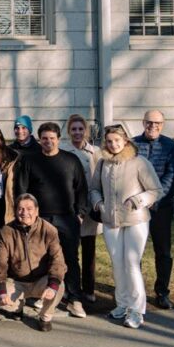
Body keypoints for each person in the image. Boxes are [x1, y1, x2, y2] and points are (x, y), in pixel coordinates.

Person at [90, 124, 162, 329]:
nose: (113, 145)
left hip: (135, 220)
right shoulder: (103, 163)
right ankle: (122, 304)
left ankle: (137, 310)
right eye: (109, 141)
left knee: (131, 263)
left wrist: (136, 201)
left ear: (125, 141)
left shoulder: (139, 162)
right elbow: (94, 189)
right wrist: (99, 204)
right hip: (110, 220)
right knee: (117, 262)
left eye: (117, 141)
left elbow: (155, 190)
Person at [14, 122, 89, 318]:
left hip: (67, 218)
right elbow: (21, 189)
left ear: (59, 139)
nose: (48, 142)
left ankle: (74, 299)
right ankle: (43, 295)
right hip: (40, 219)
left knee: (70, 258)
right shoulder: (30, 160)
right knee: (41, 258)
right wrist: (26, 216)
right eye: (44, 138)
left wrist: (80, 213)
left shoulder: (71, 160)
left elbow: (81, 188)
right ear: (39, 140)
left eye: (52, 138)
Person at [0, 194, 66, 332]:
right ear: (15, 211)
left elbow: (57, 260)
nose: (24, 212)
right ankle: (18, 308)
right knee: (0, 300)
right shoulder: (6, 232)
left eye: (29, 209)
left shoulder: (49, 230)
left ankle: (45, 317)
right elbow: (0, 263)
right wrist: (2, 290)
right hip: (17, 281)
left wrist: (52, 285)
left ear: (37, 211)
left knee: (59, 286)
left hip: (41, 280)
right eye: (20, 209)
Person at [132, 109, 174, 309]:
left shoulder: (171, 146)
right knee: (136, 251)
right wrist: (140, 200)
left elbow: (172, 176)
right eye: (149, 122)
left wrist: (154, 198)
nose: (153, 126)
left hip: (161, 207)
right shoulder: (133, 144)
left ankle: (162, 292)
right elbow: (129, 174)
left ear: (163, 124)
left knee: (163, 251)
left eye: (157, 123)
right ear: (143, 122)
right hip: (137, 207)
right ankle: (137, 292)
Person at [60, 114, 102, 304]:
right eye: (74, 129)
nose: (77, 132)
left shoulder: (95, 152)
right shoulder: (63, 150)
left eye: (80, 129)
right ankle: (70, 288)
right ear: (69, 131)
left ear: (85, 131)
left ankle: (89, 289)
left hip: (90, 206)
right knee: (69, 251)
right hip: (70, 206)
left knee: (89, 250)